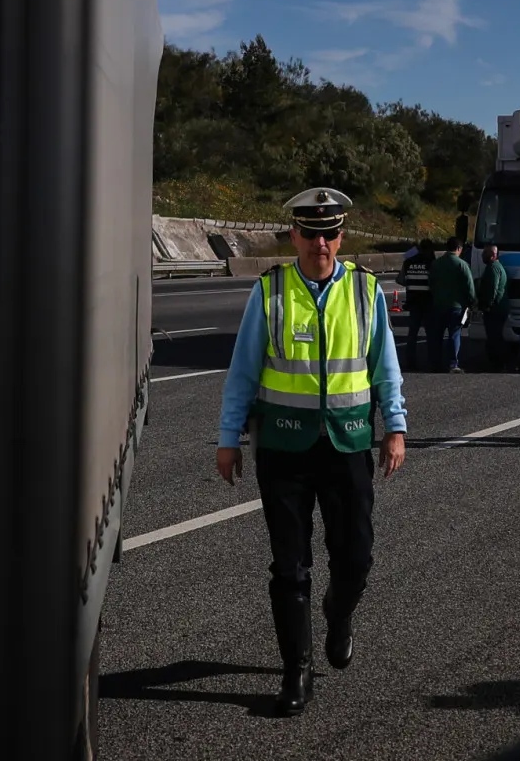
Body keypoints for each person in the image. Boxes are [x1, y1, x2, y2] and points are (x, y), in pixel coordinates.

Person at [216, 186, 408, 716]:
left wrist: (395, 426)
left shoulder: (365, 292)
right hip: (282, 445)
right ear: (294, 236)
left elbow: (384, 368)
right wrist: (228, 438)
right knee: (289, 565)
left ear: (340, 237)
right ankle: (295, 672)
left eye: (329, 233)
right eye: (310, 233)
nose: (319, 243)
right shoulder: (271, 291)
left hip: (346, 443)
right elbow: (243, 372)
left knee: (356, 559)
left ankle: (338, 612)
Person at [428, 235, 475, 373]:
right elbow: (469, 287)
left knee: (437, 335)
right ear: (459, 249)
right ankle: (453, 364)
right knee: (454, 334)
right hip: (456, 306)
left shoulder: (436, 264)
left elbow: (430, 283)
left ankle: (435, 363)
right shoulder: (462, 265)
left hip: (438, 304)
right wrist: (472, 302)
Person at [477, 244, 511, 371]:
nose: (482, 255)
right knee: (496, 336)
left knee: (494, 337)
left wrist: (486, 305)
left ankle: (498, 364)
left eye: (485, 253)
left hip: (495, 309)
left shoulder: (493, 268)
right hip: (499, 308)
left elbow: (492, 289)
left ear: (493, 255)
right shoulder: (495, 267)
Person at [400, 239, 434, 349]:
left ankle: (410, 362)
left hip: (413, 301)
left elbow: (400, 280)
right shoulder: (432, 262)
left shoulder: (408, 262)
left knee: (412, 333)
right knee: (430, 333)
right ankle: (433, 361)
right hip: (428, 302)